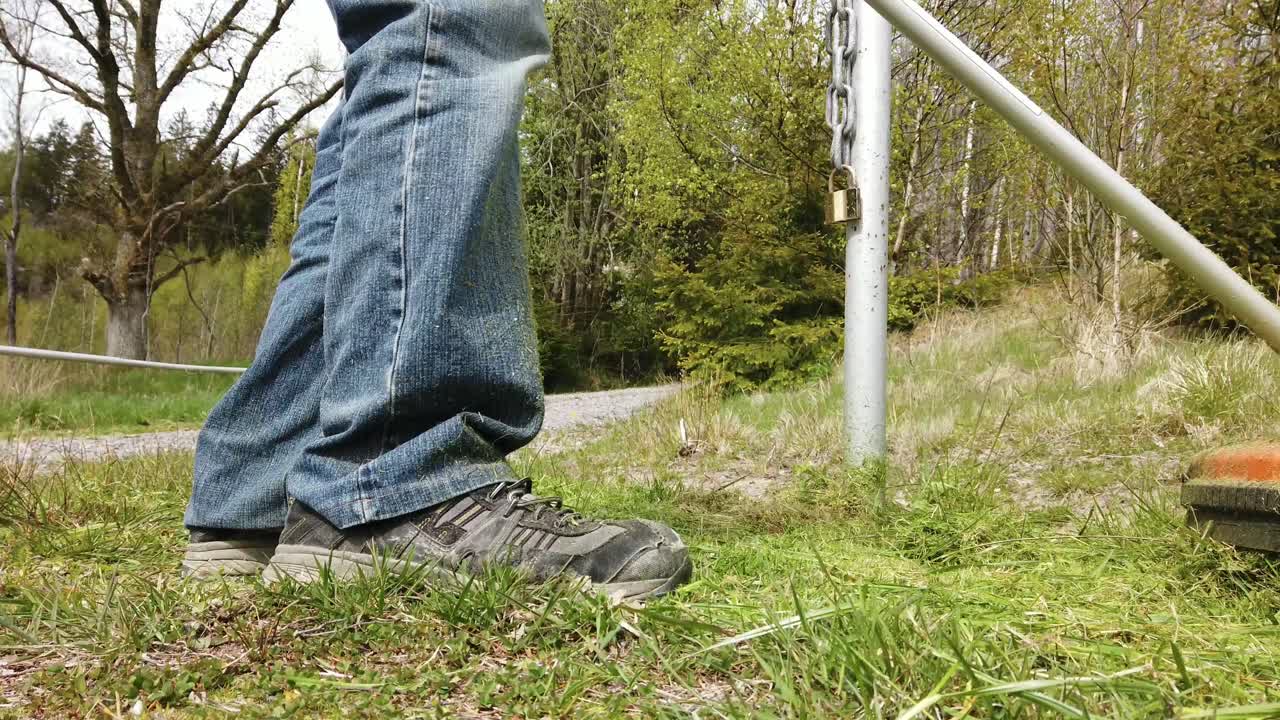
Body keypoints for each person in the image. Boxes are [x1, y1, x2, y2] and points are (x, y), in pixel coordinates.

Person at [178, 0, 692, 601]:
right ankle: (395, 477)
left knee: (407, 62)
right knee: (452, 22)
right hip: (377, 483)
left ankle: (262, 496)